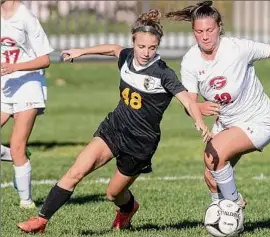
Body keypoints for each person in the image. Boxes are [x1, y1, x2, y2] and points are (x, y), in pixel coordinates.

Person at [16, 9, 211, 234]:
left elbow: (187, 100)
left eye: (152, 47)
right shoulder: (127, 57)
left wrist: (200, 122)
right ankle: (41, 220)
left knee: (113, 194)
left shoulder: (163, 73)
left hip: (140, 143)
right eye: (141, 46)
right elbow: (113, 49)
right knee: (76, 171)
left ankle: (128, 208)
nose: (146, 52)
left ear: (158, 46)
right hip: (114, 128)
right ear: (134, 42)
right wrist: (81, 52)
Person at [166, 0, 270, 233]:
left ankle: (233, 207)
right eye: (199, 31)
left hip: (259, 120)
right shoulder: (191, 61)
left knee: (215, 154)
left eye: (210, 30)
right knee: (211, 173)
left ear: (220, 27)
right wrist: (198, 109)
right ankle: (226, 223)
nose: (205, 36)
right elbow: (189, 102)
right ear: (193, 32)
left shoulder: (237, 48)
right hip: (227, 124)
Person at [1, 0, 54, 209]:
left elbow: (45, 59)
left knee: (18, 144)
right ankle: (14, 156)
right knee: (16, 151)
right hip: (5, 85)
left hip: (27, 85)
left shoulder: (26, 17)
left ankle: (27, 202)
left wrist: (15, 67)